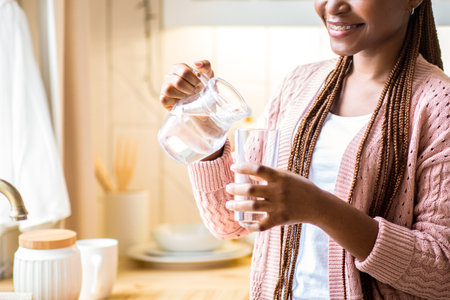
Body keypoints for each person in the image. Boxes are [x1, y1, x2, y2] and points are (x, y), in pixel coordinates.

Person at [159, 0, 450, 299]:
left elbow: (442, 273)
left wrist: (320, 209)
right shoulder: (298, 85)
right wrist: (205, 129)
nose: (333, 6)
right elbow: (231, 222)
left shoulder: (439, 103)